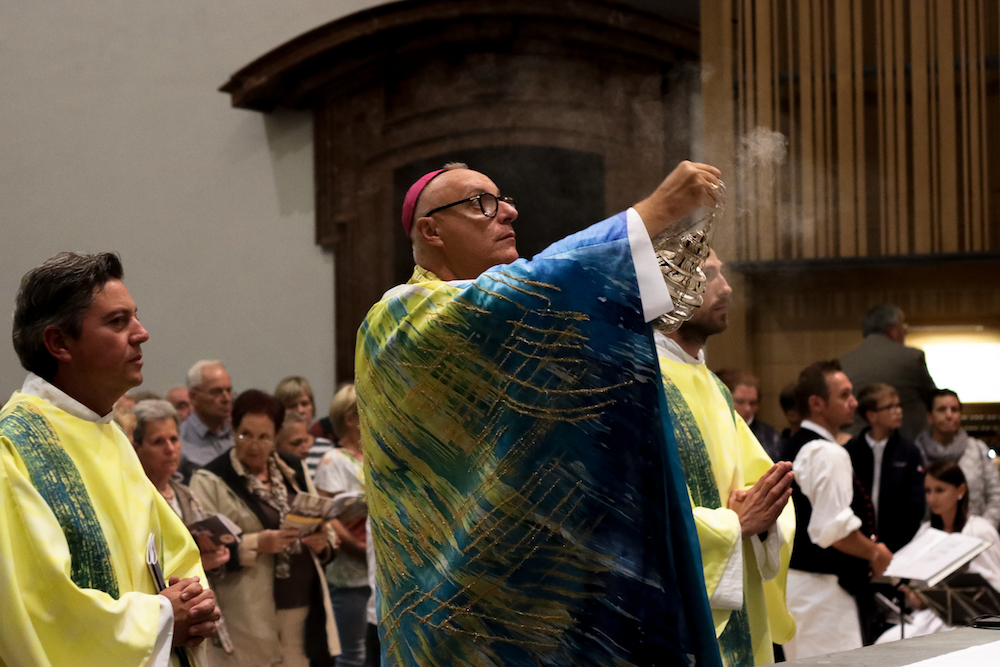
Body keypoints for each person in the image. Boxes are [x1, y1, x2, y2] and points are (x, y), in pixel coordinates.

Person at [358, 161, 724, 666]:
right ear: (430, 230)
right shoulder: (398, 317)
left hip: (548, 595)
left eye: (502, 199)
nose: (507, 212)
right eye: (480, 204)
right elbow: (526, 293)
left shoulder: (503, 327)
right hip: (456, 616)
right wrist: (652, 212)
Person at [0, 251, 219, 666]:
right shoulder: (14, 448)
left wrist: (194, 600)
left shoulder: (110, 433)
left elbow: (171, 550)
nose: (142, 333)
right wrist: (165, 618)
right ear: (59, 343)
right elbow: (38, 610)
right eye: (118, 322)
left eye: (134, 317)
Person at [655, 250, 795, 666]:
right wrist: (733, 524)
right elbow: (635, 514)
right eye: (708, 273)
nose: (727, 287)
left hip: (742, 615)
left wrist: (762, 517)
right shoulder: (639, 382)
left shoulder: (714, 386)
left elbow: (764, 488)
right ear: (663, 287)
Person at [190, 390, 339, 667]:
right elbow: (204, 548)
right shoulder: (210, 478)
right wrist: (259, 542)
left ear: (276, 435)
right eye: (246, 434)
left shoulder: (292, 468)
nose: (254, 445)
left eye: (264, 437)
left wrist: (322, 541)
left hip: (302, 606)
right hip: (246, 612)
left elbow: (321, 522)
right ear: (233, 431)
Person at [783, 360, 894, 660]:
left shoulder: (797, 444)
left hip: (801, 589)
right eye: (844, 395)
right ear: (816, 403)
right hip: (823, 596)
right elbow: (834, 531)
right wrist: (876, 553)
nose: (854, 402)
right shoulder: (826, 452)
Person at [133, 399, 236, 655]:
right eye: (158, 442)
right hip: (158, 622)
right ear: (135, 448)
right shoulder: (133, 499)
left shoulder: (187, 495)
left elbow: (211, 568)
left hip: (199, 616)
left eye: (174, 439)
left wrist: (215, 558)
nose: (170, 449)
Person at [876, 461, 1000, 643]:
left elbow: (994, 584)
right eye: (928, 491)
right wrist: (913, 591)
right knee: (886, 642)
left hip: (972, 620)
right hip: (929, 617)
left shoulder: (979, 530)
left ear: (961, 490)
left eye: (940, 490)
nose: (932, 498)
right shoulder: (926, 531)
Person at [315, 383, 368, 667]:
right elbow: (328, 515)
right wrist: (357, 546)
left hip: (376, 567)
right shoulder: (333, 461)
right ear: (349, 418)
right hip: (349, 570)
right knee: (352, 655)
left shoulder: (374, 458)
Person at [845, 384, 925, 553]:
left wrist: (893, 542)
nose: (898, 411)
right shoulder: (852, 451)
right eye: (890, 407)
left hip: (898, 545)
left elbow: (915, 505)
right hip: (859, 543)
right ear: (871, 415)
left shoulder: (909, 452)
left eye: (898, 405)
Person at [840, 304, 937, 441]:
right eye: (903, 326)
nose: (905, 332)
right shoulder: (912, 357)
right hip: (904, 445)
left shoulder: (844, 362)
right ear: (892, 330)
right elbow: (934, 399)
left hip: (855, 446)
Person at [915, 389, 1000, 529]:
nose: (949, 415)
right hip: (932, 535)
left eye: (954, 410)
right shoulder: (917, 453)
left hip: (976, 533)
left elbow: (996, 493)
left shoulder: (977, 449)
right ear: (930, 416)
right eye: (942, 410)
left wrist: (982, 528)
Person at [716, 368, 785, 464]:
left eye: (753, 403)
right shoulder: (713, 431)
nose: (747, 409)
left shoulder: (769, 436)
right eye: (740, 402)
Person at [277, 375, 334, 477]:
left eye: (304, 404)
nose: (300, 410)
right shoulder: (275, 450)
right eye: (292, 405)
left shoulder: (327, 449)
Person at [181, 360, 234, 466]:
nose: (227, 399)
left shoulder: (237, 436)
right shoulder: (180, 442)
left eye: (228, 391)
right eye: (216, 392)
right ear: (194, 396)